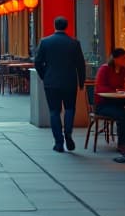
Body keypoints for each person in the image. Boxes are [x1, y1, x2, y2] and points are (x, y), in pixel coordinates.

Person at [34, 16, 86, 153]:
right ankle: (68, 133)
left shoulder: (45, 42)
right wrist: (81, 81)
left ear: (54, 25)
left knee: (54, 111)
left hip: (51, 82)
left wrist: (44, 76)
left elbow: (37, 62)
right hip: (69, 81)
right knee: (69, 109)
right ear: (66, 26)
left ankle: (58, 142)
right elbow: (81, 64)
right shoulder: (74, 43)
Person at [94, 48, 125, 154]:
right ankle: (122, 144)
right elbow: (100, 88)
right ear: (115, 59)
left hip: (120, 102)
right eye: (123, 58)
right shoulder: (105, 69)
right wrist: (117, 91)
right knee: (123, 114)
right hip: (104, 104)